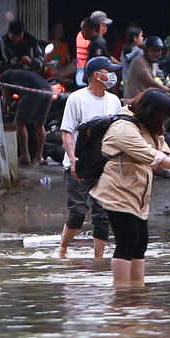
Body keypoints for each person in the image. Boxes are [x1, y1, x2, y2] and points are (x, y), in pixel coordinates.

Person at [91, 89, 170, 287]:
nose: (163, 123)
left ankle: (137, 290)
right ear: (151, 112)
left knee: (140, 244)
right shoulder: (123, 127)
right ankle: (123, 294)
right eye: (162, 117)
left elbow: (163, 149)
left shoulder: (146, 126)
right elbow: (152, 156)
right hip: (117, 192)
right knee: (126, 242)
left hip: (137, 195)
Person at [58, 56, 123, 259]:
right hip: (79, 164)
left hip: (103, 164)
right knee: (77, 211)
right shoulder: (76, 98)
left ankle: (99, 260)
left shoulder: (113, 101)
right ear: (97, 75)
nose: (113, 76)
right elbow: (67, 132)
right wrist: (73, 160)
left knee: (102, 215)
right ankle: (63, 249)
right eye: (109, 71)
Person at [0, 67, 52, 166]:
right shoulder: (20, 73)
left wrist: (3, 115)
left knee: (19, 123)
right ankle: (39, 157)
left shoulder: (4, 77)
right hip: (48, 89)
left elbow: (7, 100)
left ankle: (25, 156)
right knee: (39, 124)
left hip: (33, 91)